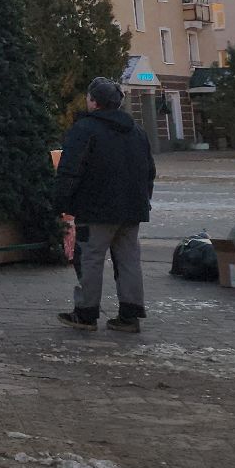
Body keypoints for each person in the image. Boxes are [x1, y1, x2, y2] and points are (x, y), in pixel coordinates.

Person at [53, 76, 156, 333]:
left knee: (90, 258)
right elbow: (149, 171)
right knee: (129, 260)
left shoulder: (85, 129)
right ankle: (130, 315)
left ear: (94, 101)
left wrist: (61, 201)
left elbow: (70, 169)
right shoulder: (137, 131)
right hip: (132, 209)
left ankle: (86, 313)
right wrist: (143, 200)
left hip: (95, 209)